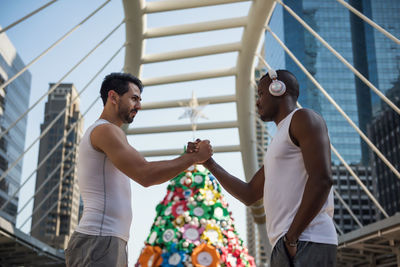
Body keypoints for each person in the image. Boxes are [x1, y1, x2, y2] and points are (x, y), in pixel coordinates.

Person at [189, 69, 337, 266]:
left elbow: (322, 180)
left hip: (308, 239)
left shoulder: (304, 118)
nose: (257, 101)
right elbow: (249, 194)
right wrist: (209, 163)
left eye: (261, 93)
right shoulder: (279, 140)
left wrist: (292, 237)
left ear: (278, 89)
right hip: (286, 244)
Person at [65, 73, 213, 267]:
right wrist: (193, 158)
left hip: (107, 239)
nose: (139, 106)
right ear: (113, 97)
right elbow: (146, 174)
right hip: (99, 239)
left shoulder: (111, 133)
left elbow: (146, 167)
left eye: (140, 100)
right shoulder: (105, 131)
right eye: (134, 98)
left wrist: (187, 156)